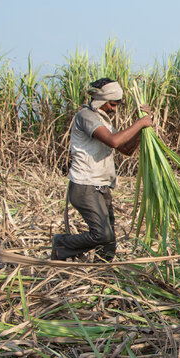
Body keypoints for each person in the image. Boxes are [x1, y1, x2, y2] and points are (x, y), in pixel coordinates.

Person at [51, 78, 152, 261]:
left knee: (109, 242)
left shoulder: (103, 121)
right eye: (112, 104)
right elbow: (113, 141)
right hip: (85, 186)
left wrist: (142, 129)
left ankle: (102, 272)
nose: (114, 109)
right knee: (102, 235)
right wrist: (139, 124)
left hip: (101, 185)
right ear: (101, 100)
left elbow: (126, 150)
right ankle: (61, 244)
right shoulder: (86, 117)